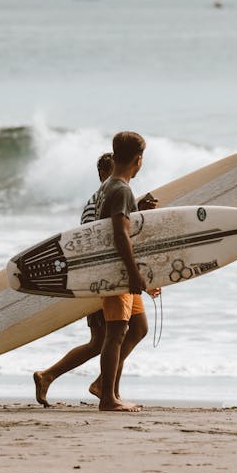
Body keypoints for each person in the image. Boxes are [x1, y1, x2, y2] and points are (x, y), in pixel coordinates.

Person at [33, 149, 157, 408]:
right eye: (109, 170)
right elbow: (101, 242)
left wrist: (138, 211)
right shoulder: (95, 203)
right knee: (103, 340)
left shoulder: (117, 197)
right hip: (105, 277)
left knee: (137, 329)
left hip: (122, 275)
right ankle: (54, 376)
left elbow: (125, 231)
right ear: (102, 173)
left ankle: (105, 387)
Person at [94, 131, 156, 412]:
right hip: (118, 270)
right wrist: (133, 273)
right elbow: (120, 234)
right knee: (116, 333)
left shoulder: (110, 187)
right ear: (138, 160)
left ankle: (112, 393)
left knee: (138, 327)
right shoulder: (121, 189)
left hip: (119, 268)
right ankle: (108, 398)